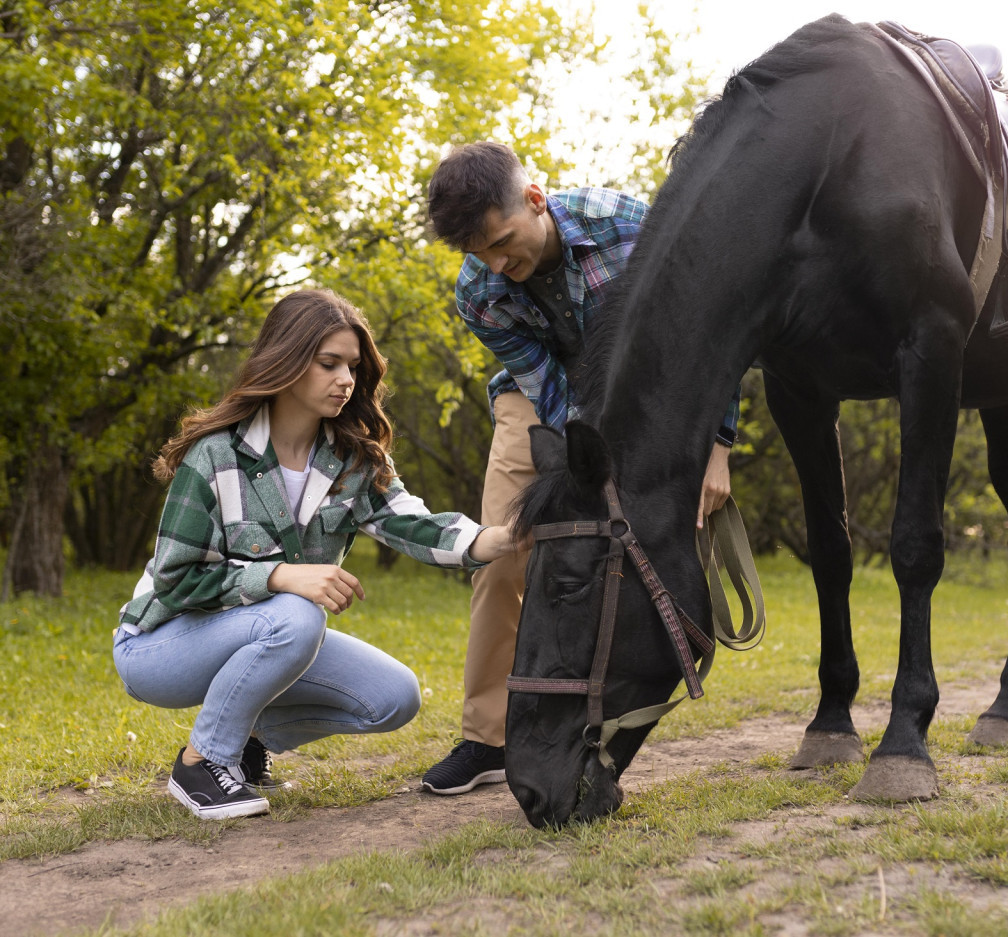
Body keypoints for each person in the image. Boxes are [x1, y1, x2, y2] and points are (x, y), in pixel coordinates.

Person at [114, 288, 524, 820]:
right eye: (329, 364)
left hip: (270, 634)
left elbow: (414, 525)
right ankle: (202, 763)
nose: (346, 380)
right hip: (160, 645)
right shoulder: (216, 454)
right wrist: (281, 575)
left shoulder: (351, 459)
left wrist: (499, 537)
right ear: (285, 360)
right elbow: (175, 581)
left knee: (394, 697)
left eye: (352, 366)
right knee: (298, 612)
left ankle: (244, 738)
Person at [420, 141, 740, 795]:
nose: (499, 266)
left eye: (504, 243)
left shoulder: (630, 226)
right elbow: (550, 394)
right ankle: (487, 737)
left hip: (652, 395)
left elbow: (711, 333)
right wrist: (584, 469)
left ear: (536, 201)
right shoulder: (479, 293)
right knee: (504, 547)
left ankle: (611, 706)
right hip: (544, 405)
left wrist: (719, 445)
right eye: (481, 255)